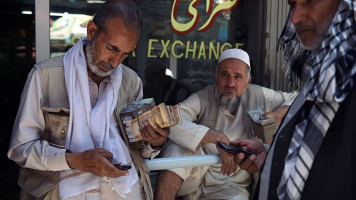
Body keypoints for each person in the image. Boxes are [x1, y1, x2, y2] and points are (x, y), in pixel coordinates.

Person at [7, 0, 169, 199]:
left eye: (125, 54)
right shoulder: (45, 76)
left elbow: (138, 148)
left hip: (124, 192)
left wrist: (154, 142)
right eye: (112, 48)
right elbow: (21, 149)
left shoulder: (130, 81)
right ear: (92, 31)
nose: (115, 62)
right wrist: (76, 161)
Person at [231, 0, 356, 199]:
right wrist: (272, 154)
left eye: (309, 2)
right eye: (293, 5)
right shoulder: (321, 81)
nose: (295, 18)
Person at [154, 48, 298, 200]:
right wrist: (217, 138)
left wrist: (278, 114)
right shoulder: (204, 97)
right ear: (216, 77)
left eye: (237, 76)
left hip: (231, 186)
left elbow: (298, 98)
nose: (230, 83)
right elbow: (171, 121)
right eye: (225, 75)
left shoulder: (259, 96)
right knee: (178, 148)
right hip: (196, 181)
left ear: (247, 82)